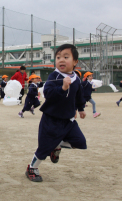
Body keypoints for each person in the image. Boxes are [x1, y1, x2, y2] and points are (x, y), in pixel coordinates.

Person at [25, 44, 86, 182]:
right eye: (58, 57)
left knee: (80, 142)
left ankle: (57, 145)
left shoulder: (76, 78)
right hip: (51, 119)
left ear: (75, 61)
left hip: (69, 120)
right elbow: (48, 93)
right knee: (45, 146)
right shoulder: (54, 76)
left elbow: (78, 95)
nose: (61, 60)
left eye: (66, 57)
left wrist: (81, 108)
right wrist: (63, 88)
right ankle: (32, 168)